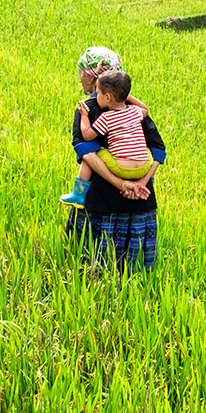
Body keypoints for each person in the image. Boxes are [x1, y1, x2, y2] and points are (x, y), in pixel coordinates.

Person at [65, 46, 163, 271]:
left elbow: (85, 151)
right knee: (134, 273)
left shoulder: (87, 109)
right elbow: (158, 150)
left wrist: (123, 184)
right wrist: (141, 182)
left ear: (93, 78)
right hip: (140, 198)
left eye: (82, 74)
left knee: (95, 269)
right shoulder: (134, 110)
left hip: (102, 202)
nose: (81, 79)